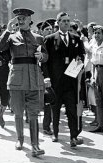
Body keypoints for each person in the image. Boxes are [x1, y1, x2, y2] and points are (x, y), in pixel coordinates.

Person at [0, 8, 48, 157]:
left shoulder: (38, 38)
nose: (21, 20)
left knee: (33, 114)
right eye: (18, 17)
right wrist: (7, 30)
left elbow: (46, 56)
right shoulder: (11, 37)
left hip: (34, 79)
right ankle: (19, 139)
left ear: (30, 20)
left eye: (24, 17)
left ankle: (35, 145)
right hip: (17, 80)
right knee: (18, 112)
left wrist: (42, 56)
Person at [43, 12, 85, 147]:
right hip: (56, 82)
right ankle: (55, 133)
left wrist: (75, 69)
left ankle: (73, 136)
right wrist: (47, 77)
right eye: (64, 21)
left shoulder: (76, 38)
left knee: (72, 110)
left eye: (68, 21)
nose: (67, 23)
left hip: (71, 81)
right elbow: (45, 61)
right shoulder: (50, 39)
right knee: (55, 109)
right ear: (58, 23)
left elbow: (81, 57)